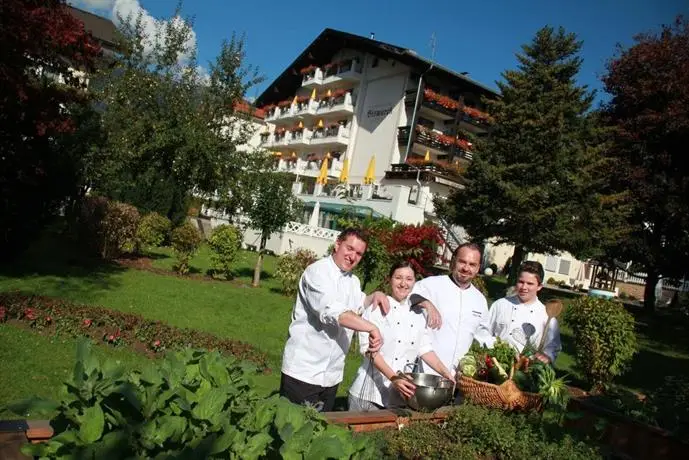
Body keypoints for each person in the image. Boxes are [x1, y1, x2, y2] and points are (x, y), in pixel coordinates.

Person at [280, 228, 390, 412]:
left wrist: (374, 296)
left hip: (331, 374)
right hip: (303, 371)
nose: (352, 256)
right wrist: (371, 328)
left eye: (359, 254)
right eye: (349, 248)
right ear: (337, 244)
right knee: (291, 434)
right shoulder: (317, 272)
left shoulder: (353, 281)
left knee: (318, 435)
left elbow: (358, 306)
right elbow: (334, 313)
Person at [348, 261, 455, 411]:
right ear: (390, 279)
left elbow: (424, 349)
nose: (403, 283)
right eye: (398, 278)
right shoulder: (376, 308)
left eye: (409, 279)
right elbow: (368, 350)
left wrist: (445, 373)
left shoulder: (418, 313)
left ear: (414, 283)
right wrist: (394, 378)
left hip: (400, 396)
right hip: (369, 394)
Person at [408, 243, 491, 377]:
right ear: (453, 261)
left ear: (478, 269)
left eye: (472, 264)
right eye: (462, 262)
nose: (466, 268)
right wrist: (426, 303)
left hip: (459, 377)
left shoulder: (479, 300)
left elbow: (483, 335)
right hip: (426, 372)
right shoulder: (431, 284)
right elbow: (407, 297)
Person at [482, 261, 561, 364]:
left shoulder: (546, 315)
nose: (524, 287)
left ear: (539, 286)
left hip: (526, 371)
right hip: (494, 364)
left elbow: (553, 347)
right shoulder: (500, 305)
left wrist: (547, 356)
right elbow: (484, 332)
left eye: (530, 284)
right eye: (521, 282)